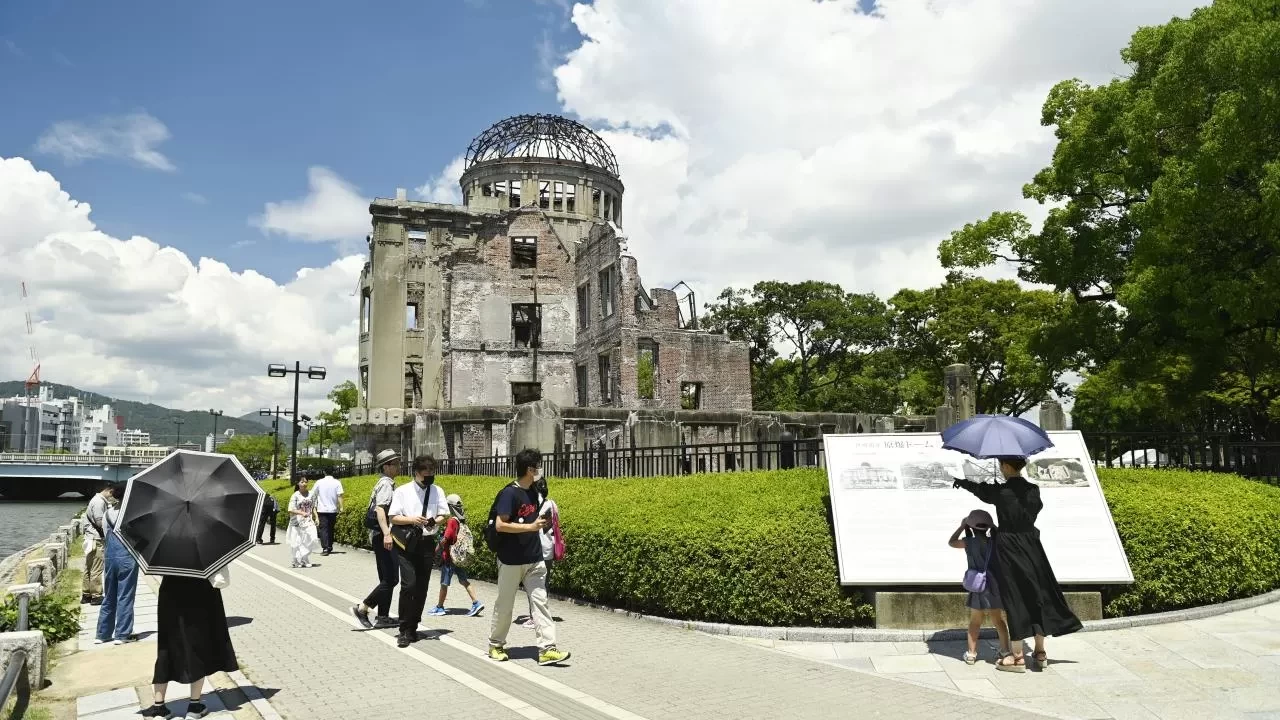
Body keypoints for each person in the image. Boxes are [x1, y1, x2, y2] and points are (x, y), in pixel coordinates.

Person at [954, 457, 1083, 672]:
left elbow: (981, 491)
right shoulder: (1033, 490)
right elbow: (1032, 508)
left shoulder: (1002, 492)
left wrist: (962, 482)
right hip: (1032, 545)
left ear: (1006, 466)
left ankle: (1017, 657)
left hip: (1009, 548)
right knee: (1038, 595)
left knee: (1015, 599)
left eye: (1001, 465)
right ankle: (1040, 653)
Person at [487, 449, 570, 666]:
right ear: (529, 469)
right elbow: (501, 525)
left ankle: (547, 649)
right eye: (538, 466)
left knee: (540, 603)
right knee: (505, 605)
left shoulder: (533, 492)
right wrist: (531, 527)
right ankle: (496, 644)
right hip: (511, 559)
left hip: (534, 557)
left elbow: (533, 520)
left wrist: (539, 524)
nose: (540, 470)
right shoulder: (509, 494)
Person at [139, 573, 239, 719]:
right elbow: (220, 579)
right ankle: (194, 705)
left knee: (166, 648)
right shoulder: (203, 556)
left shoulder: (167, 557)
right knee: (197, 647)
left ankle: (159, 706)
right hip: (200, 592)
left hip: (170, 591)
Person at [387, 454, 449, 648]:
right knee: (409, 585)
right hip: (407, 544)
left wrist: (435, 521)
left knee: (422, 586)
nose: (429, 474)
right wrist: (412, 519)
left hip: (427, 542)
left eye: (432, 471)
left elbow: (444, 514)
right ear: (416, 472)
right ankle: (403, 628)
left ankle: (413, 627)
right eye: (426, 471)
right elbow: (393, 517)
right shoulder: (403, 491)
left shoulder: (437, 490)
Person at [947, 509, 1011, 665]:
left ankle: (971, 654)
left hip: (978, 586)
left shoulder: (969, 542)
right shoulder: (995, 542)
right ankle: (1005, 651)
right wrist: (993, 526)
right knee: (999, 621)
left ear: (971, 526)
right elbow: (1005, 540)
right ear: (988, 526)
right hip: (994, 586)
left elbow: (952, 542)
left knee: (975, 622)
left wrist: (962, 526)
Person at [351, 449, 401, 630]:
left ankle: (383, 617)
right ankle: (363, 608)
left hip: (380, 535)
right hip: (383, 535)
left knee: (386, 579)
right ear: (386, 466)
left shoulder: (384, 482)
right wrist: (387, 533)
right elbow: (380, 509)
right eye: (395, 463)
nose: (398, 466)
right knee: (391, 579)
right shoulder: (386, 484)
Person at [95, 482, 140, 645]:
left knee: (109, 595)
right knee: (125, 595)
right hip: (127, 557)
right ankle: (122, 634)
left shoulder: (107, 513)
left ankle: (102, 634)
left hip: (110, 557)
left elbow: (105, 532)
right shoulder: (131, 514)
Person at [427, 493, 484, 618]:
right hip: (458, 557)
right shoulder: (461, 520)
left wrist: (436, 549)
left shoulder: (452, 520)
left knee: (444, 583)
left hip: (449, 557)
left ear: (450, 507)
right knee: (464, 580)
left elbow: (446, 538)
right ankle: (476, 603)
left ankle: (440, 607)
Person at [81, 484, 111, 606]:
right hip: (96, 539)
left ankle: (86, 594)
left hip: (90, 538)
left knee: (88, 567)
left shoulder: (95, 500)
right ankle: (96, 596)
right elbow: (100, 522)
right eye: (112, 493)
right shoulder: (99, 502)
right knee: (96, 568)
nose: (112, 496)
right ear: (109, 491)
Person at [286, 477, 320, 569]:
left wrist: (316, 517)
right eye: (302, 482)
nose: (304, 484)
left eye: (306, 482)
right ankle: (296, 560)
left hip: (308, 521)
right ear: (298, 484)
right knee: (297, 542)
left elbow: (313, 507)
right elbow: (290, 509)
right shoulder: (295, 495)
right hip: (297, 522)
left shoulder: (311, 494)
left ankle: (304, 558)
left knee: (311, 538)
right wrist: (301, 513)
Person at [311, 472, 345, 556]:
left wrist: (313, 505)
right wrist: (341, 507)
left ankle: (325, 548)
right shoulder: (337, 482)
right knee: (331, 528)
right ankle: (329, 545)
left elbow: (313, 493)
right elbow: (339, 495)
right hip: (333, 510)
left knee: (323, 529)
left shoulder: (319, 482)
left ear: (324, 473)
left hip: (322, 509)